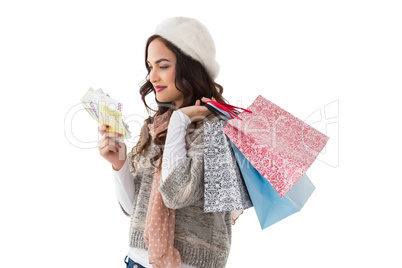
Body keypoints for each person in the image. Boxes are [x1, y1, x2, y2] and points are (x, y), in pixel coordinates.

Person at [97, 17, 232, 268]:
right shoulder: (156, 125)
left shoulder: (215, 130)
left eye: (163, 66)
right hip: (137, 261)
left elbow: (176, 195)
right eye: (150, 66)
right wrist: (120, 165)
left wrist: (180, 121)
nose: (153, 76)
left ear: (191, 67)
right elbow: (134, 208)